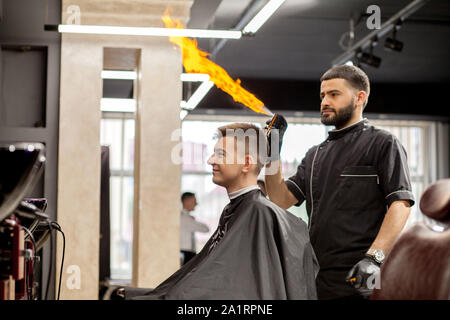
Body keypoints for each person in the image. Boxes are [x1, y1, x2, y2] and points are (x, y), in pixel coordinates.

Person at [265, 65, 415, 300]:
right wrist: (272, 153)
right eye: (323, 95)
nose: (325, 101)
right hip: (314, 275)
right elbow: (279, 199)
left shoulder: (383, 143)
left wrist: (374, 258)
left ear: (359, 98)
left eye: (334, 95)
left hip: (359, 275)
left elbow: (401, 203)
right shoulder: (315, 154)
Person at [123, 123, 318, 300]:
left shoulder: (258, 213)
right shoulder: (236, 209)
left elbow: (229, 286)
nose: (210, 160)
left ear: (247, 164)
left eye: (220, 155)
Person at [180, 192, 209, 265]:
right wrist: (192, 220)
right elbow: (205, 229)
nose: (196, 204)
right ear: (187, 201)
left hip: (188, 253)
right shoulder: (184, 218)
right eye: (194, 201)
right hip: (186, 254)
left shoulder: (186, 217)